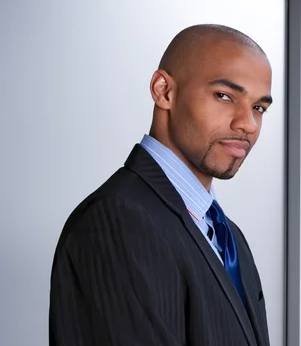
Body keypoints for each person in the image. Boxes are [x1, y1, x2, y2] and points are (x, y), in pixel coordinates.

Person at [49, 24, 273, 346]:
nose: (248, 124)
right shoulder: (117, 221)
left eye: (258, 108)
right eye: (224, 96)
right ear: (164, 91)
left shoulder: (230, 237)